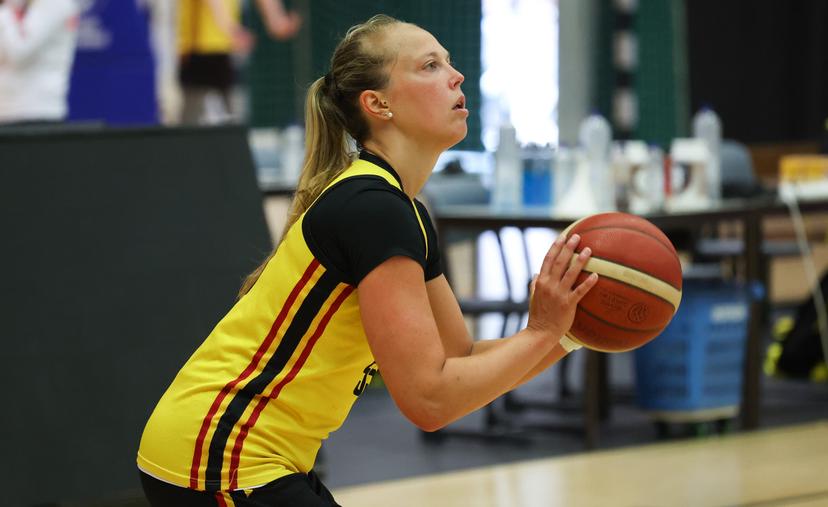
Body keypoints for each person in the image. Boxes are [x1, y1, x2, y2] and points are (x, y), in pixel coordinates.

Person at [137, 14, 598, 506]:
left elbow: (457, 364)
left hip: (238, 453)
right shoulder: (374, 210)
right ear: (378, 104)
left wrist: (570, 334)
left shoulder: (405, 210)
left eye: (450, 61)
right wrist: (542, 333)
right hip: (222, 455)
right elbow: (429, 401)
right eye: (429, 65)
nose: (455, 75)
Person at [177, 0, 301, 124]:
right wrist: (231, 29)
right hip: (200, 48)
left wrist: (276, 19)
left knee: (230, 118)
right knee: (194, 120)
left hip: (223, 48)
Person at [0, 0, 79, 124]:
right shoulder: (18, 6)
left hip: (37, 111)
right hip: (7, 111)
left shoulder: (55, 3)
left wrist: (5, 9)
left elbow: (20, 52)